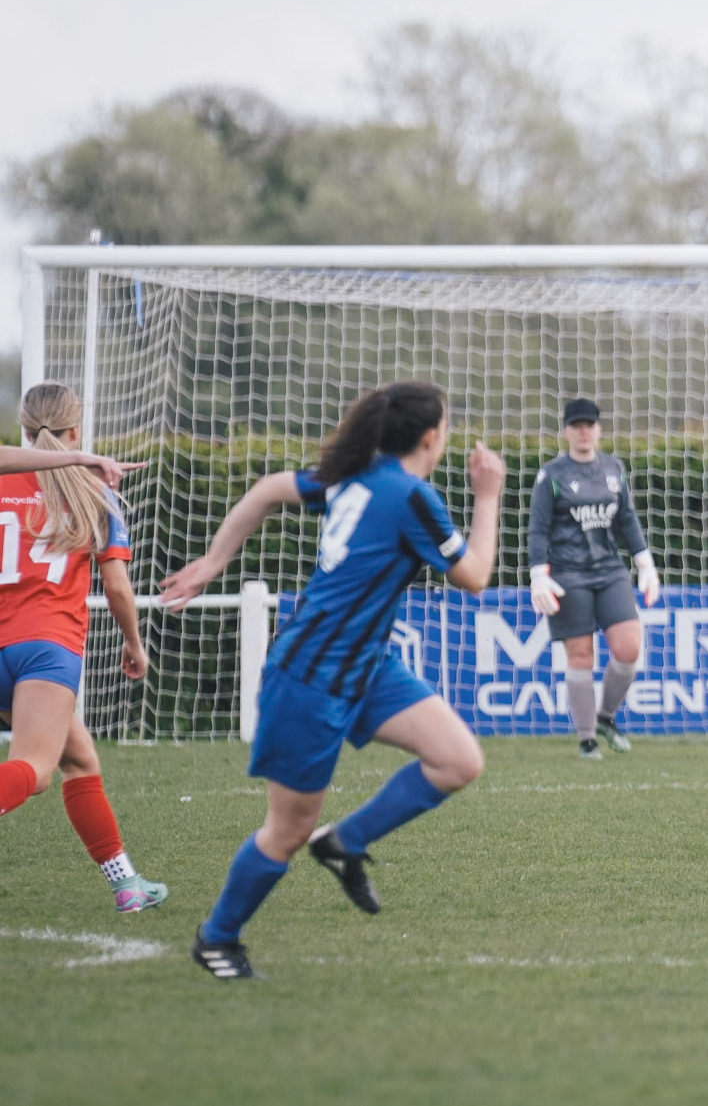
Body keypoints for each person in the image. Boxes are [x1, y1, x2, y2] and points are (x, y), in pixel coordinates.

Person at [160, 381, 504, 980]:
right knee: (286, 830)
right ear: (431, 436)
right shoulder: (411, 495)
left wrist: (215, 562)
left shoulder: (357, 476)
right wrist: (489, 495)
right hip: (311, 674)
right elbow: (474, 576)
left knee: (457, 760)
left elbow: (267, 490)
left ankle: (344, 842)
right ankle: (216, 939)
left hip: (365, 665)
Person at [0, 382, 167, 912]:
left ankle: (127, 884)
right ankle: (128, 886)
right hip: (45, 649)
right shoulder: (95, 492)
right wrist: (134, 643)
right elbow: (116, 587)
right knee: (36, 769)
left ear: (25, 429)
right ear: (77, 429)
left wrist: (71, 459)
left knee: (80, 759)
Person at [527, 397, 661, 759]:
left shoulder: (613, 468)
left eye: (590, 425)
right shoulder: (552, 475)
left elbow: (627, 519)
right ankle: (587, 739)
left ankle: (605, 717)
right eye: (577, 426)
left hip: (610, 571)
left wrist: (645, 563)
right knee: (581, 655)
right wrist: (538, 574)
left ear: (599, 430)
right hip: (568, 574)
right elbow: (539, 528)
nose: (584, 431)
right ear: (566, 432)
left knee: (629, 647)